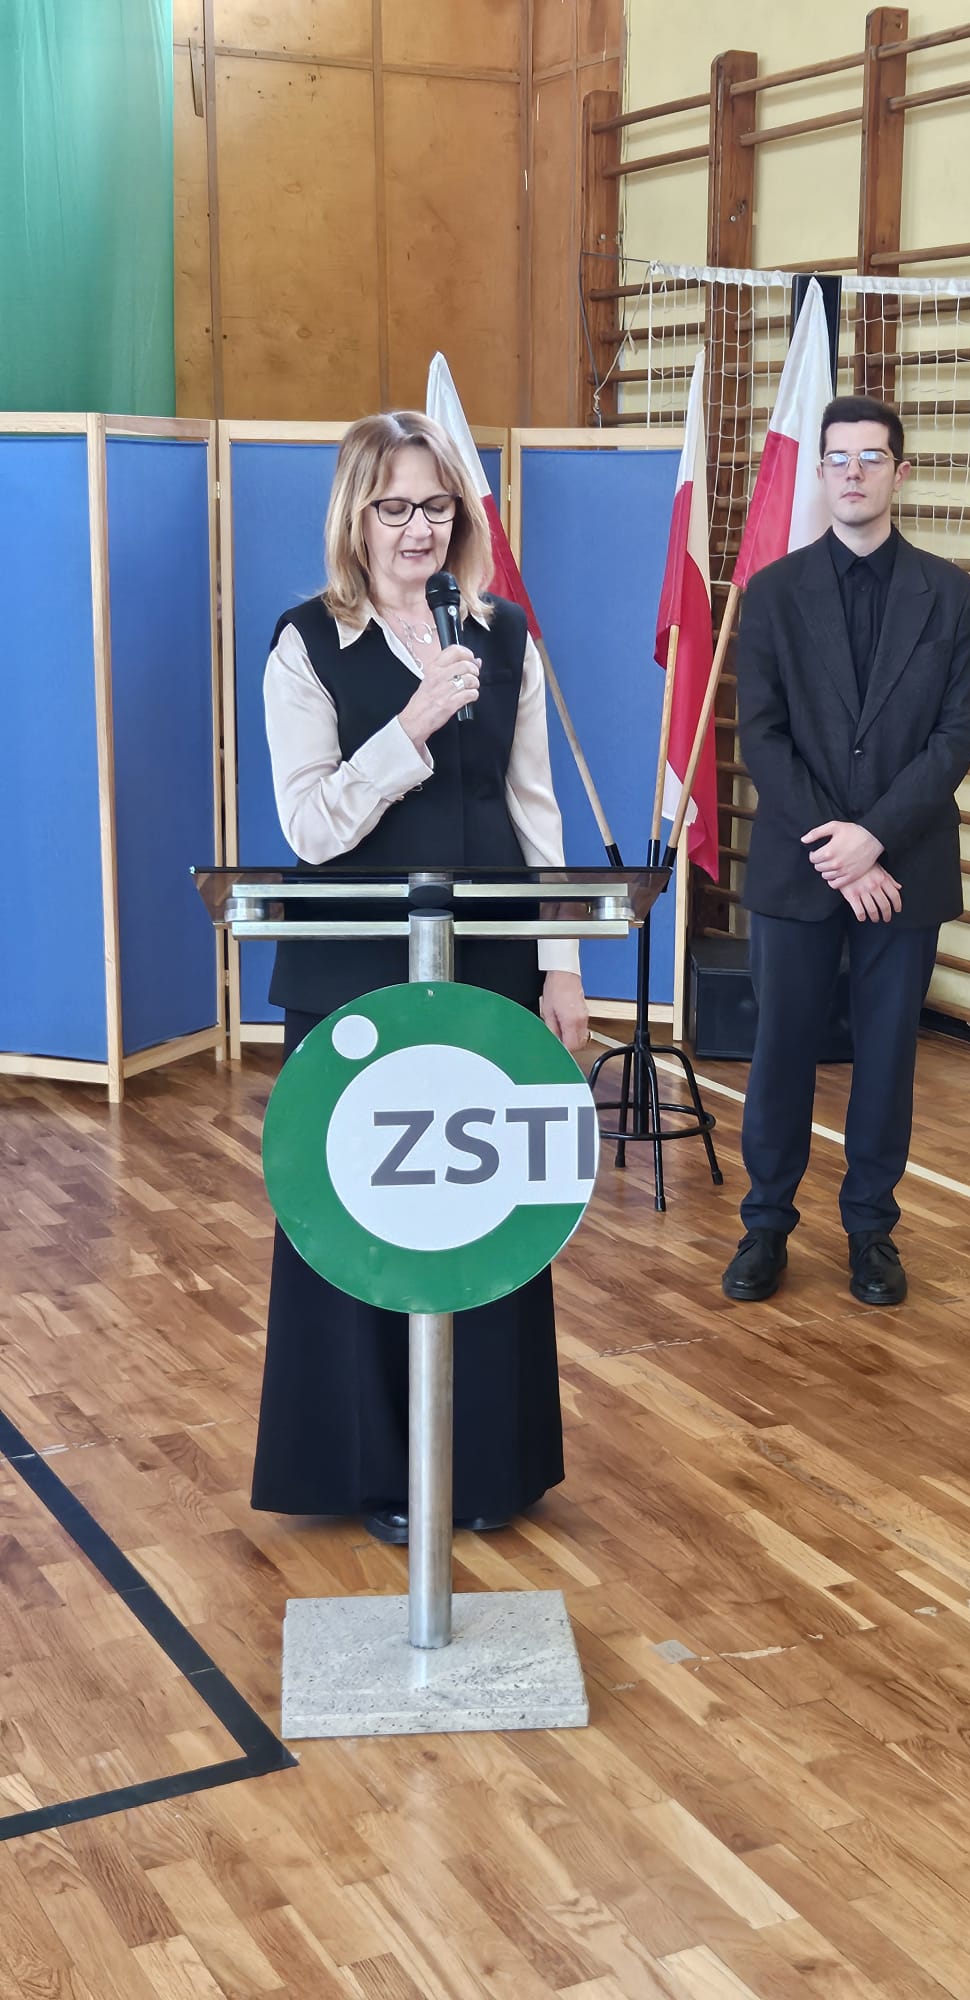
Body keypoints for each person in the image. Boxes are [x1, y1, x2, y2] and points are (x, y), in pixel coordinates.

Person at [251, 410, 588, 1542]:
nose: (417, 529)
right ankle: (376, 1470)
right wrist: (411, 724)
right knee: (361, 1222)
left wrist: (559, 963)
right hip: (353, 976)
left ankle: (486, 1467)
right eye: (393, 506)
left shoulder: (502, 636)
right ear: (356, 515)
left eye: (436, 506)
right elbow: (309, 826)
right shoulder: (306, 641)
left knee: (485, 1218)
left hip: (486, 968)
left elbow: (534, 809)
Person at [721, 394, 970, 1308]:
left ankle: (872, 1231)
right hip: (802, 863)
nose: (854, 473)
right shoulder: (773, 593)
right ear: (820, 472)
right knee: (781, 1050)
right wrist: (838, 848)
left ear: (899, 473)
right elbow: (762, 735)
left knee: (887, 1057)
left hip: (905, 864)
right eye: (839, 458)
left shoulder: (952, 595)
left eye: (872, 458)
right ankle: (765, 1226)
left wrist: (875, 839)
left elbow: (955, 737)